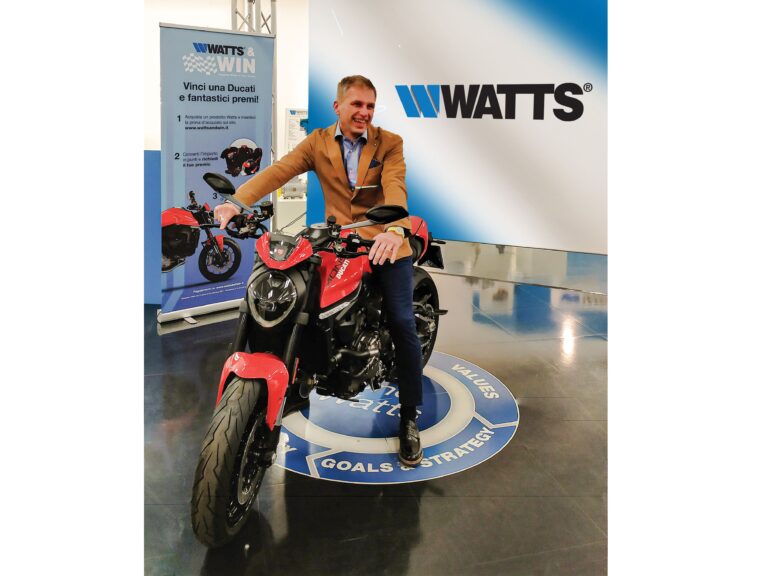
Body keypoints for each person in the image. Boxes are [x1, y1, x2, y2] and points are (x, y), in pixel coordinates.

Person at [214, 75, 424, 467]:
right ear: (338, 106)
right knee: (304, 301)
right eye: (357, 104)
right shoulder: (318, 142)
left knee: (401, 320)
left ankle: (410, 416)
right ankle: (300, 379)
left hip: (384, 241)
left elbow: (395, 186)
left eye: (370, 106)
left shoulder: (389, 143)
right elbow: (281, 170)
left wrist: (395, 230)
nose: (364, 112)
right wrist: (237, 203)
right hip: (337, 239)